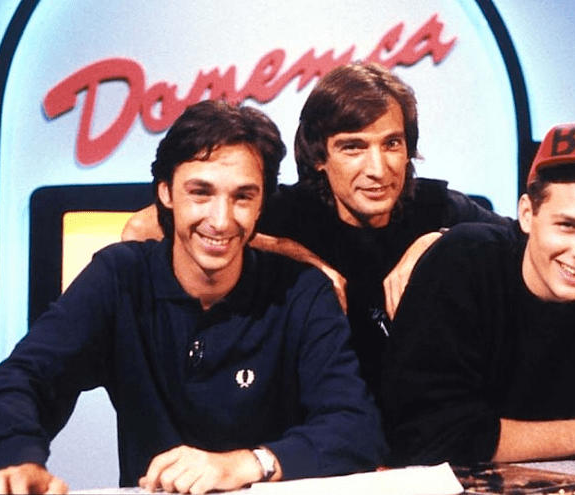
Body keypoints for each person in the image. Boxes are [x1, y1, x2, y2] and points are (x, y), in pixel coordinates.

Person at [0, 100, 386, 494]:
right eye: (201, 192)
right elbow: (25, 378)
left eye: (242, 196)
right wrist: (17, 461)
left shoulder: (302, 291)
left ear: (262, 204)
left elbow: (355, 427)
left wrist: (245, 463)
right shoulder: (120, 277)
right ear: (166, 193)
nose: (220, 221)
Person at [123, 62, 510, 394]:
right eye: (353, 147)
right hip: (325, 426)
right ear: (318, 155)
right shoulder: (288, 211)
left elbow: (523, 240)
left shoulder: (437, 207)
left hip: (424, 427)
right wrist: (289, 251)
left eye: (392, 144)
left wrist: (437, 243)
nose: (378, 169)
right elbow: (140, 228)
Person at [381, 119, 575, 466]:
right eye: (568, 225)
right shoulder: (464, 261)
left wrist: (492, 436)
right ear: (527, 214)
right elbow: (423, 438)